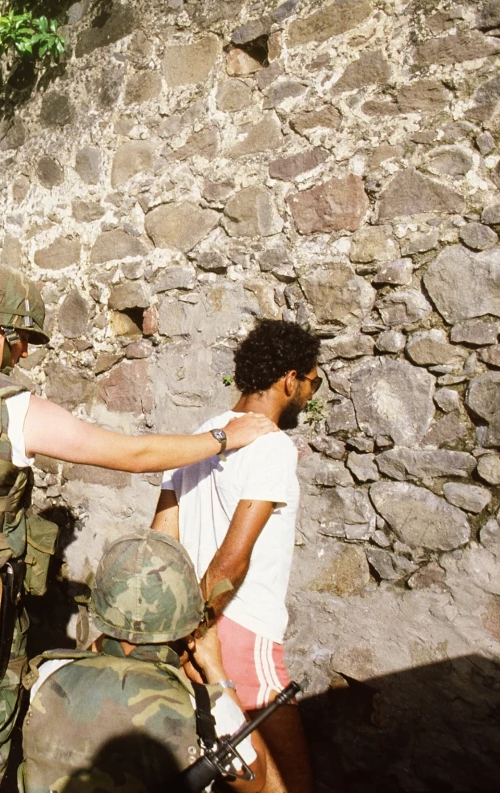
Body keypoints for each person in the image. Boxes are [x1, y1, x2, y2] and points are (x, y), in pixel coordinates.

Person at [0, 263, 276, 793]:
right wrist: (224, 440)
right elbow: (130, 454)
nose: (22, 355)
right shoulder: (9, 408)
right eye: (21, 342)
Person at [151, 319, 318, 793]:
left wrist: (177, 636)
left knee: (219, 773)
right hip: (238, 635)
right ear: (290, 379)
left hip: (191, 630)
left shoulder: (200, 436)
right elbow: (232, 562)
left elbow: (161, 544)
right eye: (312, 382)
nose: (308, 395)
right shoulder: (272, 447)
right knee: (286, 784)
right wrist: (200, 634)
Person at [21, 531, 266, 793]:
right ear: (185, 626)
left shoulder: (47, 673)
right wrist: (216, 671)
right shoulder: (207, 709)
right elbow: (256, 782)